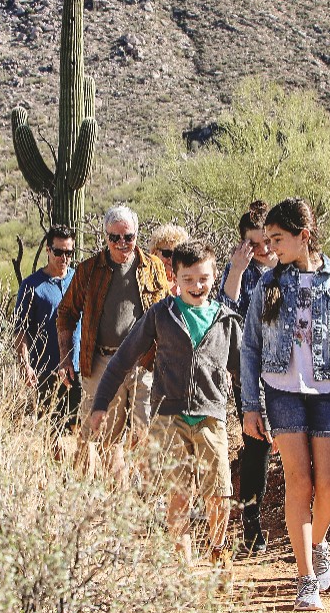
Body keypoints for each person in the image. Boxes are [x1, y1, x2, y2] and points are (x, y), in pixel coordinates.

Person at [240, 198, 330, 611]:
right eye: (268, 239)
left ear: (304, 236)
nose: (271, 247)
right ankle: (305, 577)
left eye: (278, 239)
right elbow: (250, 348)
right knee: (299, 481)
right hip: (283, 393)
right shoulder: (268, 284)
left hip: (329, 395)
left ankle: (316, 542)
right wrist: (250, 406)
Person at [89, 240, 241, 567]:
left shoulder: (226, 320)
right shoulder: (162, 314)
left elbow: (244, 371)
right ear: (175, 277)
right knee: (180, 495)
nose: (196, 286)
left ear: (214, 275)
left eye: (202, 278)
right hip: (168, 418)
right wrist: (101, 402)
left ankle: (218, 553)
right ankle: (182, 569)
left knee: (219, 494)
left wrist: (258, 414)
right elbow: (124, 358)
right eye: (188, 279)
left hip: (211, 417)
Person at [57, 205, 169, 480]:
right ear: (105, 237)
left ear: (136, 236)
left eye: (128, 237)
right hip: (102, 362)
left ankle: (149, 501)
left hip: (144, 362)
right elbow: (66, 313)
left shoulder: (152, 267)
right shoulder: (89, 270)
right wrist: (65, 357)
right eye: (114, 238)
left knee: (147, 432)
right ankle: (117, 499)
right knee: (106, 434)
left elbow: (167, 311)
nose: (122, 244)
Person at [215, 200, 278, 555]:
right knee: (259, 443)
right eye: (254, 243)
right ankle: (251, 519)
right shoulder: (238, 271)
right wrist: (237, 272)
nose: (263, 249)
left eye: (267, 240)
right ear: (243, 244)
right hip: (249, 373)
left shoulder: (288, 267)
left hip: (288, 371)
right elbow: (223, 315)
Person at [14, 225, 82, 431]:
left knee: (81, 434)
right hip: (46, 371)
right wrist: (25, 364)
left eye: (69, 253)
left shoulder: (80, 279)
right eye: (58, 252)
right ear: (48, 250)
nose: (64, 258)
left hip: (80, 369)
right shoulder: (31, 286)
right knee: (52, 434)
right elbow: (21, 330)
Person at [147, 223, 190, 293]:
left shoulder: (187, 283)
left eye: (177, 255)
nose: (172, 259)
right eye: (167, 253)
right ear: (154, 253)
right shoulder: (145, 280)